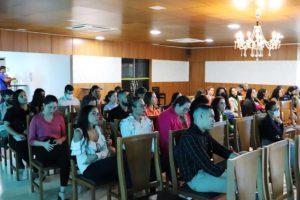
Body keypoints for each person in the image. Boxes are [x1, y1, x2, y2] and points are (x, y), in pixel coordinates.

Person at [175, 104, 237, 193]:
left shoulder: (204, 133)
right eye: (211, 116)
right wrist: (232, 172)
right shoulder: (189, 137)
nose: (214, 120)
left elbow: (220, 149)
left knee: (240, 179)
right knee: (237, 184)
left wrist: (237, 157)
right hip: (195, 179)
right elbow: (206, 165)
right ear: (200, 116)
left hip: (205, 172)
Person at [29, 95, 70, 200]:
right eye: (50, 107)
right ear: (43, 105)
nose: (53, 110)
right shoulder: (36, 119)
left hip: (56, 145)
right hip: (42, 146)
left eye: (55, 107)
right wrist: (44, 144)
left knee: (64, 157)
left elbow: (64, 135)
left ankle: (62, 191)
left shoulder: (59, 118)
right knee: (66, 157)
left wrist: (60, 140)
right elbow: (31, 140)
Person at [71, 105, 117, 184]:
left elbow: (106, 149)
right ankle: (127, 192)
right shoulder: (79, 132)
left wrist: (97, 155)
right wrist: (103, 153)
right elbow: (86, 160)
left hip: (100, 163)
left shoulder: (98, 129)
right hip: (88, 169)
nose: (97, 116)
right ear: (85, 116)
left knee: (123, 158)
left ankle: (128, 190)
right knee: (118, 161)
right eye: (93, 114)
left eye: (98, 114)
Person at [4, 89, 31, 180]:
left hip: (31, 135)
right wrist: (17, 134)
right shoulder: (12, 110)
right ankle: (34, 167)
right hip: (16, 137)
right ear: (16, 98)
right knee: (22, 146)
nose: (24, 97)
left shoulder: (31, 109)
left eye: (25, 95)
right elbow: (7, 125)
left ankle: (36, 166)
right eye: (21, 96)